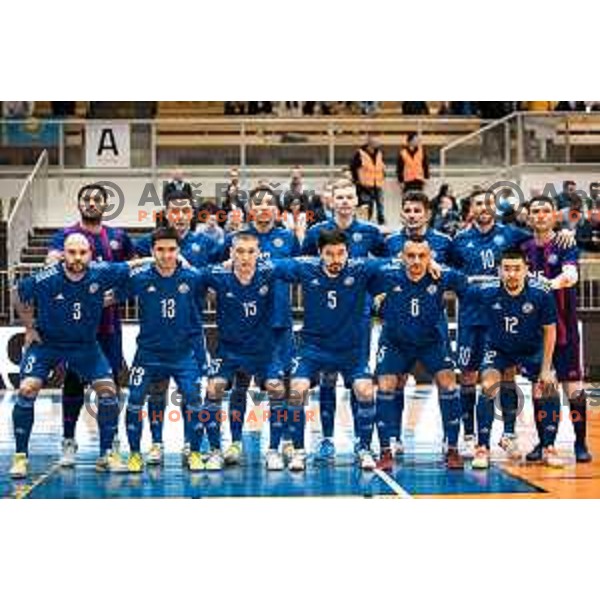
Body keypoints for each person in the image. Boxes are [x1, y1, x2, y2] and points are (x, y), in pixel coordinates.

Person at [10, 234, 150, 478]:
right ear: (63, 253)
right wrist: (29, 326)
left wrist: (164, 258)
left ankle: (107, 454)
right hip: (47, 345)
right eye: (71, 252)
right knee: (27, 389)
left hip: (85, 346)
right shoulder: (48, 277)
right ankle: (20, 457)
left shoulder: (101, 271)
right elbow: (16, 292)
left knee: (108, 391)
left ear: (90, 253)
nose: (77, 257)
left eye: (82, 252)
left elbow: (130, 266)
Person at [272, 228, 384, 471]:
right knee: (297, 390)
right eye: (329, 254)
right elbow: (271, 265)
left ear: (348, 252)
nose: (336, 259)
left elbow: (398, 264)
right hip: (314, 347)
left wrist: (430, 265)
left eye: (341, 253)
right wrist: (237, 262)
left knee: (365, 390)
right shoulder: (306, 268)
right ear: (320, 253)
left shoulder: (361, 268)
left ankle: (364, 447)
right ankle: (300, 451)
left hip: (351, 350)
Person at [46, 184, 135, 467]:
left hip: (108, 325)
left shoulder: (118, 237)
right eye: (86, 199)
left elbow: (132, 274)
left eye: (97, 199)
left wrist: (115, 297)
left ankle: (110, 442)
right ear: (79, 204)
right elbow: (50, 266)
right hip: (74, 328)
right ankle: (69, 440)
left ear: (106, 204)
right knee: (73, 381)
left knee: (110, 384)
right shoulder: (65, 236)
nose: (91, 203)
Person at [301, 180, 387, 462]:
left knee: (357, 380)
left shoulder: (371, 233)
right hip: (324, 316)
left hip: (358, 318)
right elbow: (304, 265)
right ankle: (326, 439)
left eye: (350, 197)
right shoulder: (316, 232)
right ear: (331, 200)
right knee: (326, 378)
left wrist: (379, 295)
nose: (345, 202)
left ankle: (361, 443)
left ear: (357, 201)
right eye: (340, 197)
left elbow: (385, 269)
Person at [220, 185, 300, 466]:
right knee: (239, 384)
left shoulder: (288, 239)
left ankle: (285, 441)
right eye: (258, 203)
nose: (264, 207)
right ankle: (235, 444)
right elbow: (216, 272)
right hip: (243, 325)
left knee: (282, 386)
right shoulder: (235, 239)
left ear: (277, 210)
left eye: (269, 203)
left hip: (278, 322)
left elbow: (300, 271)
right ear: (250, 209)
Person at [372, 236, 466, 471]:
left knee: (449, 384)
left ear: (430, 257)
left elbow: (467, 285)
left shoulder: (442, 275)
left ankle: (452, 446)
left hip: (430, 341)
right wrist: (375, 303)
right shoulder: (387, 273)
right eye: (411, 256)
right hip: (395, 341)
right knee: (385, 386)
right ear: (402, 257)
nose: (416, 261)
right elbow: (359, 275)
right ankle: (385, 449)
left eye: (422, 256)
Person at [123, 227, 209, 472]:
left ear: (178, 251)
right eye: (160, 249)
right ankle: (142, 451)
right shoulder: (140, 277)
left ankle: (193, 451)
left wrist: (201, 354)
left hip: (183, 354)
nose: (166, 255)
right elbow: (109, 296)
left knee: (194, 400)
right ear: (152, 251)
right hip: (148, 354)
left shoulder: (192, 278)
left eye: (171, 249)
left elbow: (209, 299)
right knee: (137, 400)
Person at [470, 249, 559, 469]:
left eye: (517, 269)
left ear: (526, 270)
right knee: (489, 385)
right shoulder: (486, 291)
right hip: (499, 348)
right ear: (499, 270)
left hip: (531, 347)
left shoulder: (541, 293)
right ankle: (482, 447)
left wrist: (546, 369)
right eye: (507, 269)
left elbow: (550, 331)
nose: (512, 274)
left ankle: (548, 447)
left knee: (547, 386)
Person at [205, 231, 286, 470]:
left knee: (276, 387)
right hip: (229, 348)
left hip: (263, 348)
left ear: (259, 253)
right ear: (231, 253)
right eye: (240, 251)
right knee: (214, 388)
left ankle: (273, 450)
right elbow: (190, 276)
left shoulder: (269, 273)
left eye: (251, 251)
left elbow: (299, 266)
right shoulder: (218, 274)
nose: (245, 257)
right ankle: (220, 449)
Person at [523, 196, 592, 463]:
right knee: (542, 387)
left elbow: (571, 276)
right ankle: (545, 442)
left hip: (564, 329)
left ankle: (580, 442)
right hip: (534, 333)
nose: (540, 215)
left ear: (554, 216)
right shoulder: (522, 246)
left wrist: (547, 285)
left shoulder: (565, 243)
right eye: (535, 211)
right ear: (529, 217)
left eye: (545, 211)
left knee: (573, 387)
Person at [350, 134, 386, 225]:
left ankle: (381, 223)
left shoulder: (379, 153)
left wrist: (382, 176)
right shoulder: (360, 153)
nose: (378, 142)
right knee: (366, 207)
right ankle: (364, 223)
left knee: (380, 208)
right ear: (370, 142)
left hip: (377, 183)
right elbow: (354, 167)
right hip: (364, 185)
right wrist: (357, 181)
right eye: (376, 141)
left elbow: (381, 167)